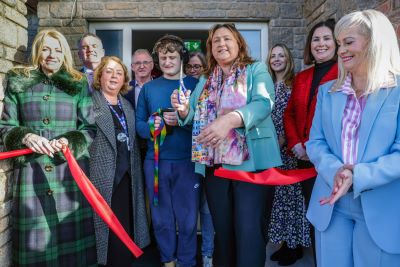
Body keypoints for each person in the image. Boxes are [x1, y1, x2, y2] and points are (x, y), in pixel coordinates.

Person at [172, 23, 281, 267]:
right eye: (215, 41)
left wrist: (230, 120)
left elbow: (264, 103)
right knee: (223, 230)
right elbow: (190, 116)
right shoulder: (205, 80)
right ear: (211, 49)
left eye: (227, 39)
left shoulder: (256, 69)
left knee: (249, 231)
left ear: (239, 43)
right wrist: (182, 109)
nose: (221, 44)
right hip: (215, 167)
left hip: (251, 165)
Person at [306, 9, 400, 267]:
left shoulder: (397, 91)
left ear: (375, 44)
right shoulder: (327, 92)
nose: (341, 51)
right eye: (339, 44)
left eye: (349, 42)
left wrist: (358, 175)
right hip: (331, 205)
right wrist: (336, 171)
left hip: (382, 208)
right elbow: (315, 142)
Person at [0, 29, 97, 266]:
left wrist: (69, 141)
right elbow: (5, 126)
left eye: (57, 49)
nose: (51, 55)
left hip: (69, 176)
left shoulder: (78, 83)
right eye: (45, 49)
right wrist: (26, 136)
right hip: (32, 175)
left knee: (71, 249)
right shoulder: (19, 81)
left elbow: (89, 128)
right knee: (35, 245)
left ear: (64, 53)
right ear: (37, 52)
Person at [136, 35, 200, 267]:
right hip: (156, 162)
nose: (167, 61)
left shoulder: (195, 85)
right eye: (163, 57)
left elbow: (205, 122)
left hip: (188, 162)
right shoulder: (149, 89)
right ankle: (168, 260)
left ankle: (187, 261)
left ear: (181, 57)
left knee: (188, 218)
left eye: (172, 56)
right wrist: (154, 127)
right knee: (162, 218)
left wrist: (184, 119)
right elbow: (139, 125)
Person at [283, 18, 338, 262]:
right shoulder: (302, 77)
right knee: (315, 216)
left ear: (336, 43)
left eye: (327, 38)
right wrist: (295, 143)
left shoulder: (344, 72)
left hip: (329, 159)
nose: (321, 43)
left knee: (333, 219)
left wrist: (311, 147)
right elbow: (290, 113)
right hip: (303, 160)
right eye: (316, 39)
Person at [89, 56, 150, 266]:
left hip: (127, 176)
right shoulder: (90, 103)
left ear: (124, 78)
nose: (114, 76)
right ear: (100, 76)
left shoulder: (127, 106)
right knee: (105, 230)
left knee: (125, 226)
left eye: (119, 72)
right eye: (109, 71)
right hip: (102, 178)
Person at [266, 44, 311, 266]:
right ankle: (284, 243)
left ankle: (295, 246)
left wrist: (285, 139)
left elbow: (296, 115)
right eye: (273, 56)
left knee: (292, 199)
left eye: (281, 55)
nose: (276, 59)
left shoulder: (295, 85)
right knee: (278, 200)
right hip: (270, 151)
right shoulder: (267, 85)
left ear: (288, 59)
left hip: (289, 150)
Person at [185, 51, 214, 267]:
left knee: (207, 208)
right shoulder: (184, 87)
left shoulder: (209, 82)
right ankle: (188, 254)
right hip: (185, 160)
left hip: (208, 158)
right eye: (190, 66)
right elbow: (187, 115)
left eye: (198, 66)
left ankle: (208, 253)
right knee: (188, 209)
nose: (194, 70)